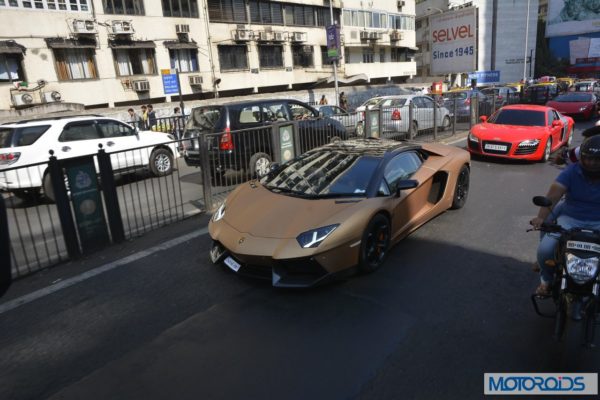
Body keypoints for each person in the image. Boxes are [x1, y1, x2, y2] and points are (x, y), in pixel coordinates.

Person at [530, 135, 600, 296]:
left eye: (596, 160)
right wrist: (540, 218)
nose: (592, 163)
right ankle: (545, 282)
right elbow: (554, 195)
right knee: (545, 250)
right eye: (588, 159)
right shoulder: (572, 170)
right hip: (570, 218)